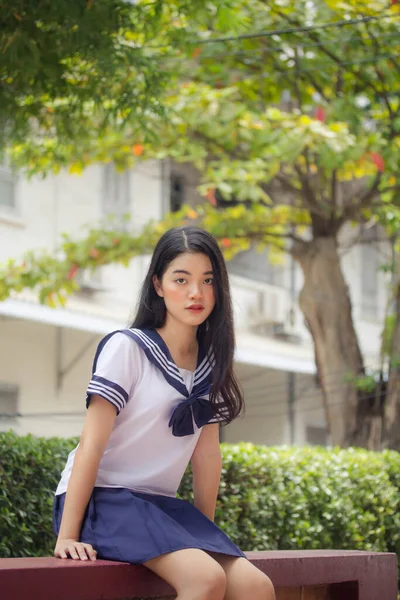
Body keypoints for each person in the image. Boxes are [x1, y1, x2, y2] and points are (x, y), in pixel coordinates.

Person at [53, 226, 275, 600]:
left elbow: (207, 456)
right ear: (158, 285)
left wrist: (204, 534)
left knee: (257, 588)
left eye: (207, 280)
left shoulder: (212, 362)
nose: (196, 293)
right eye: (181, 279)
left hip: (159, 507)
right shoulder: (127, 348)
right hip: (104, 500)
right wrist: (67, 535)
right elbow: (91, 444)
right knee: (205, 580)